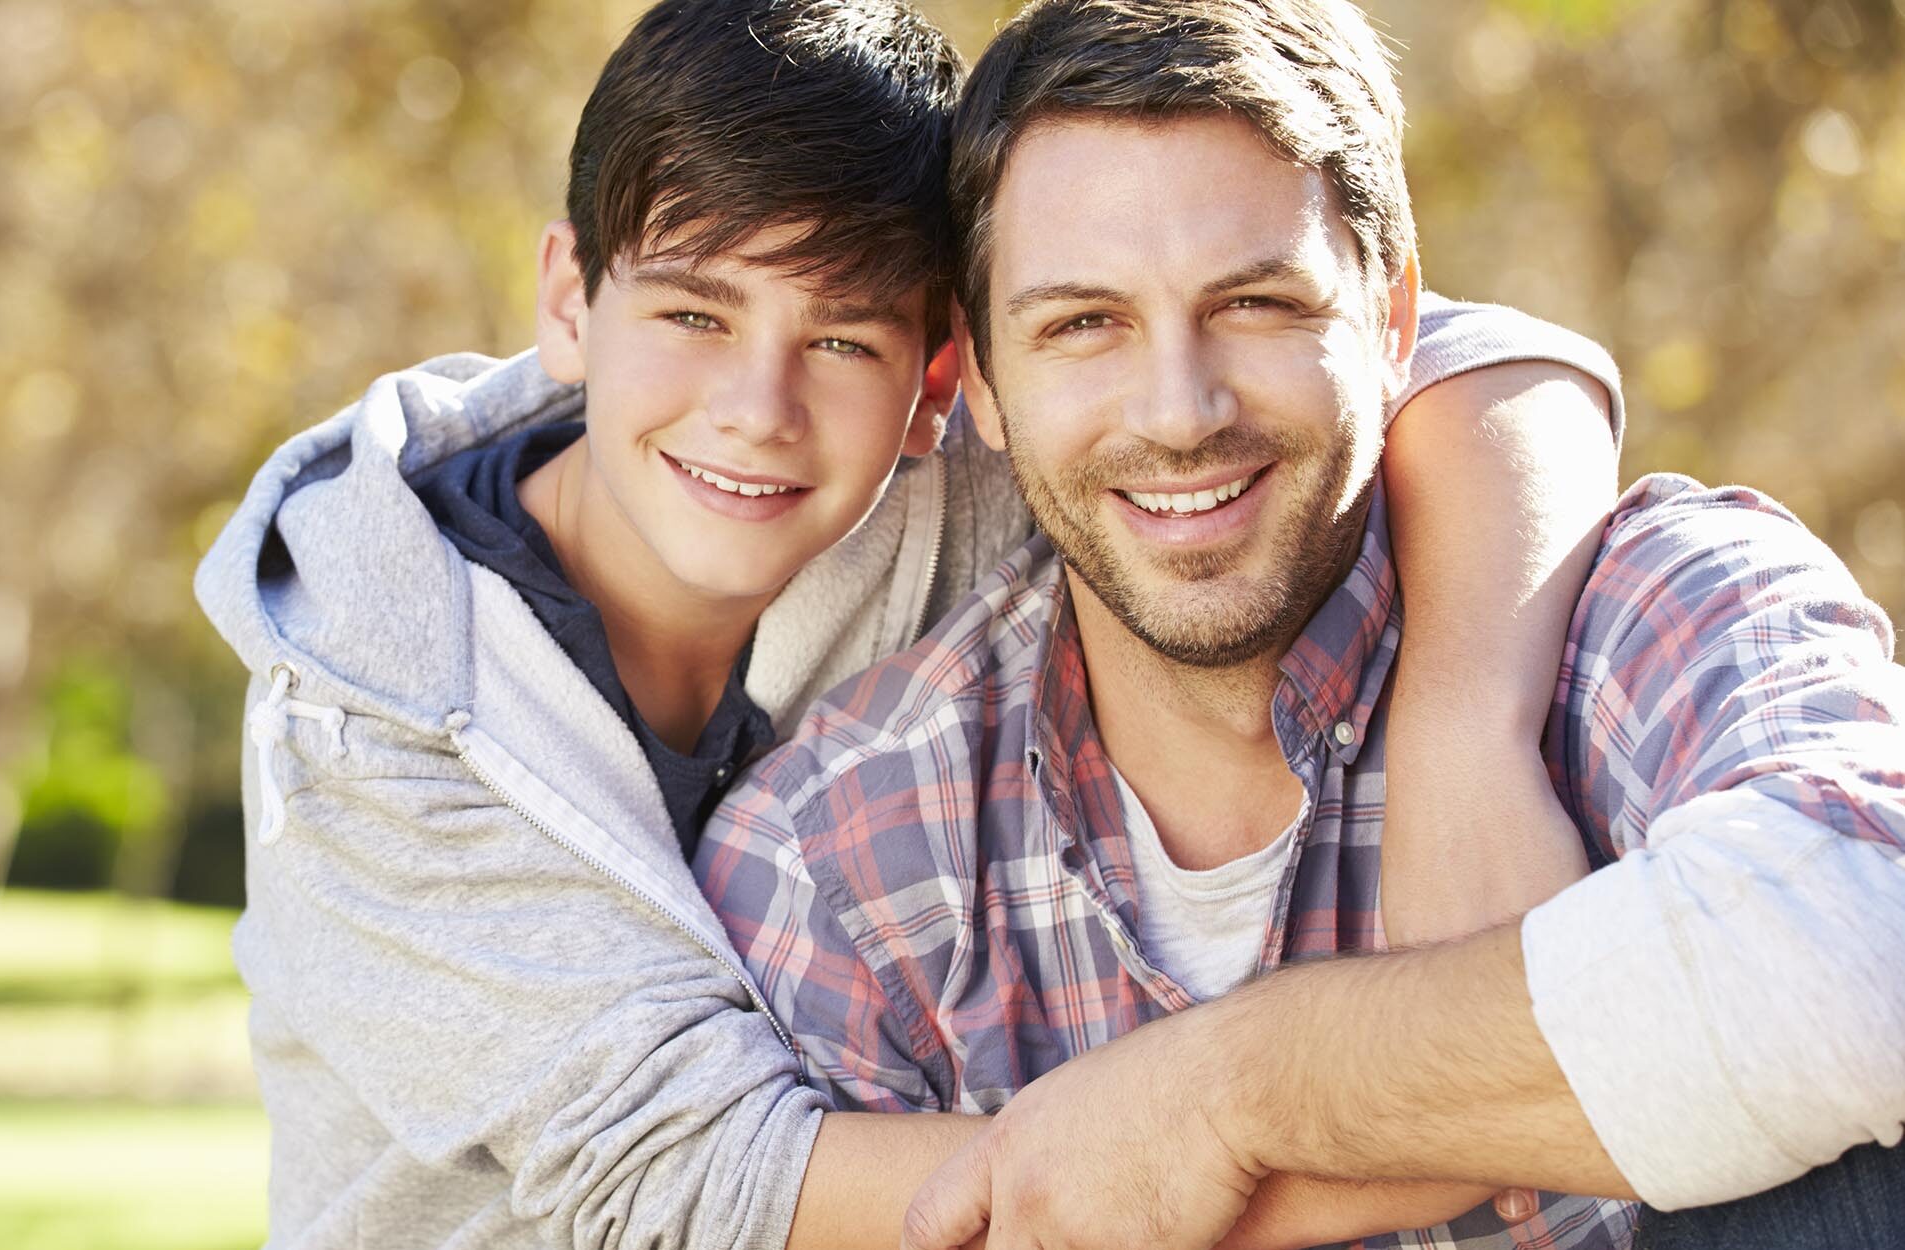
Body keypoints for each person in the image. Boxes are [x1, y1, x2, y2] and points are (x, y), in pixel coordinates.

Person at [198, 0, 1630, 1246]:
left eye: (840, 338)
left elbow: (1470, 367)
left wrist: (1465, 722)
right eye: (694, 314)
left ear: (947, 372)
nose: (758, 407)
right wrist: (1446, 1116)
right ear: (570, 298)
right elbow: (705, 1182)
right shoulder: (369, 703)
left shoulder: (967, 474)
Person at [693, 2, 1905, 1248]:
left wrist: (1234, 1092)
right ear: (983, 384)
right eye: (1081, 324)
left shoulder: (1632, 614)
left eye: (1256, 303)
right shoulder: (844, 866)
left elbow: (1877, 940)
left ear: (1391, 327)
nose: (1177, 411)